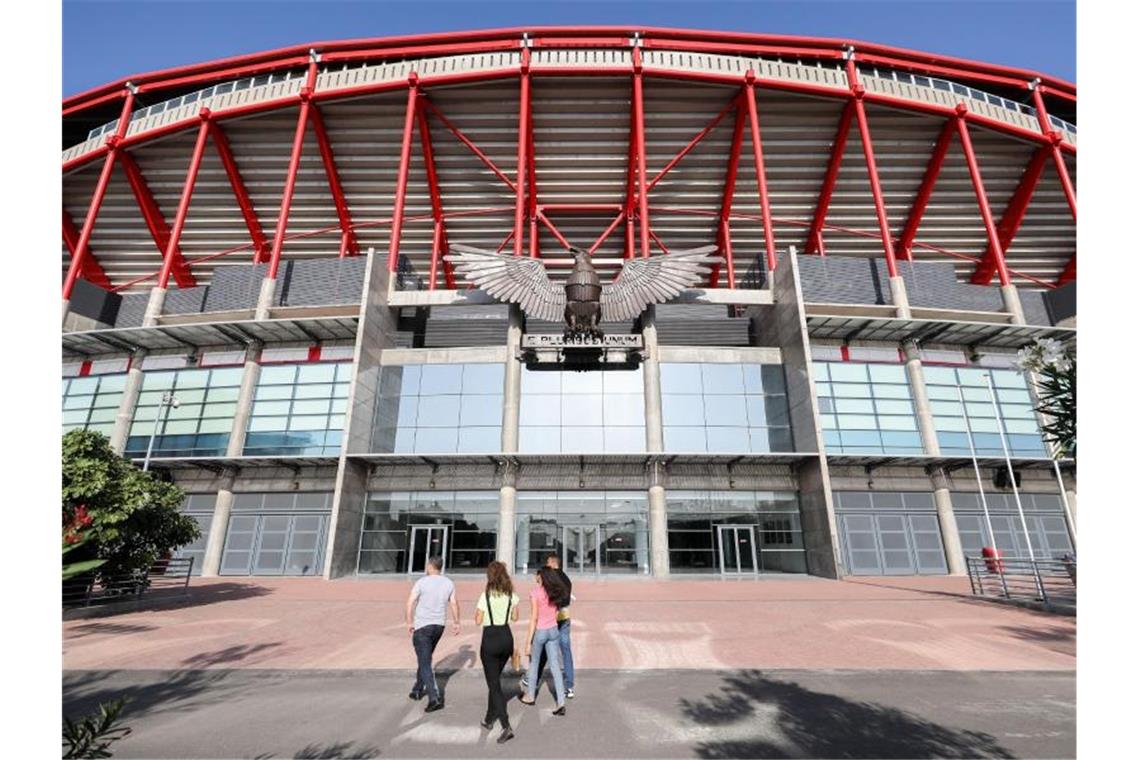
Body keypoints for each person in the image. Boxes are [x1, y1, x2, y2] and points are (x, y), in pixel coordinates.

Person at [405, 555, 459, 712]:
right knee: (425, 658)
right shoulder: (448, 583)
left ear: (430, 566)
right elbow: (454, 603)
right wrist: (456, 622)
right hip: (439, 626)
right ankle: (417, 689)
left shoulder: (422, 582)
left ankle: (434, 697)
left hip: (423, 626)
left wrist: (409, 622)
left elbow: (410, 603)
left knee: (425, 661)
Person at [474, 561, 520, 744]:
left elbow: (477, 620)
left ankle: (506, 725)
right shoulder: (511, 595)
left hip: (490, 639)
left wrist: (485, 614)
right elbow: (515, 617)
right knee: (494, 681)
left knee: (494, 685)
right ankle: (487, 718)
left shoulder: (485, 596)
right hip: (506, 638)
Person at [521, 554, 575, 699]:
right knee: (566, 651)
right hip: (565, 617)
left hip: (552, 619)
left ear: (552, 563)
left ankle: (532, 679)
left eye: (547, 563)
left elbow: (547, 599)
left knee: (542, 651)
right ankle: (569, 686)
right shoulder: (567, 579)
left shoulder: (553, 579)